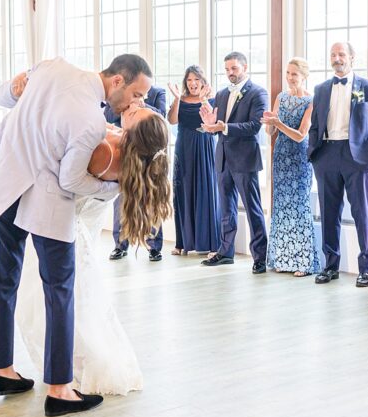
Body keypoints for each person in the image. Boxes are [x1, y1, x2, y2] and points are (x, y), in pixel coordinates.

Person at [0, 54, 152, 417]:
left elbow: (6, 96)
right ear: (117, 81)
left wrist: (14, 87)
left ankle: (3, 371)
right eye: (136, 94)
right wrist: (110, 188)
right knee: (60, 292)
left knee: (4, 281)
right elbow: (71, 179)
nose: (136, 102)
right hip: (45, 204)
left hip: (5, 184)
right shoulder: (91, 121)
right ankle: (59, 390)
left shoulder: (52, 66)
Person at [17, 106, 171, 396]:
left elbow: (66, 176)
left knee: (68, 304)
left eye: (139, 114)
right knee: (80, 302)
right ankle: (73, 364)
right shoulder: (122, 148)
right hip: (77, 229)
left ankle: (81, 368)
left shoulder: (106, 153)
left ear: (135, 135)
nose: (136, 107)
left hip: (65, 228)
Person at [308, 42, 368, 287]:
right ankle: (330, 266)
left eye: (341, 54)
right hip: (327, 153)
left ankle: (366, 268)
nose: (337, 58)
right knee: (328, 212)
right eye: (333, 54)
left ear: (352, 57)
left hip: (356, 157)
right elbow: (315, 124)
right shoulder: (320, 89)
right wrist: (314, 154)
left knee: (361, 212)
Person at [199, 52, 269, 273]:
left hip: (245, 159)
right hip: (223, 158)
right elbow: (216, 127)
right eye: (227, 69)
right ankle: (225, 252)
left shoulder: (258, 92)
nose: (230, 73)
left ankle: (260, 257)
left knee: (252, 208)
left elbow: (254, 127)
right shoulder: (220, 94)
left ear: (244, 67)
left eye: (234, 69)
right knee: (226, 208)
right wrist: (211, 126)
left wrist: (223, 127)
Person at [261, 57, 322, 277]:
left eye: (294, 74)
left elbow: (300, 135)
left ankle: (302, 262)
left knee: (299, 207)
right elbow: (271, 132)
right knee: (282, 207)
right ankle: (283, 258)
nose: (289, 78)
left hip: (299, 157)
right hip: (280, 156)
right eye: (287, 73)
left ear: (304, 76)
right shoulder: (281, 97)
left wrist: (278, 124)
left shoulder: (311, 101)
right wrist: (269, 125)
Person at [106, 85, 167, 262]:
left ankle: (154, 246)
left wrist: (141, 106)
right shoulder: (119, 96)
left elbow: (161, 115)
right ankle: (120, 244)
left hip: (150, 156)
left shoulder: (157, 93)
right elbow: (108, 116)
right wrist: (125, 105)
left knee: (151, 201)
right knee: (121, 202)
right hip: (125, 155)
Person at [167, 65, 221, 257]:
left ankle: (214, 245)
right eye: (189, 80)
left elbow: (212, 123)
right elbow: (172, 121)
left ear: (202, 81)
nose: (192, 84)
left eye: (196, 79)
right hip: (184, 147)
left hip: (205, 145)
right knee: (183, 191)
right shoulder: (180, 99)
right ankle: (182, 242)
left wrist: (204, 100)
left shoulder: (212, 99)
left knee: (207, 190)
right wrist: (176, 99)